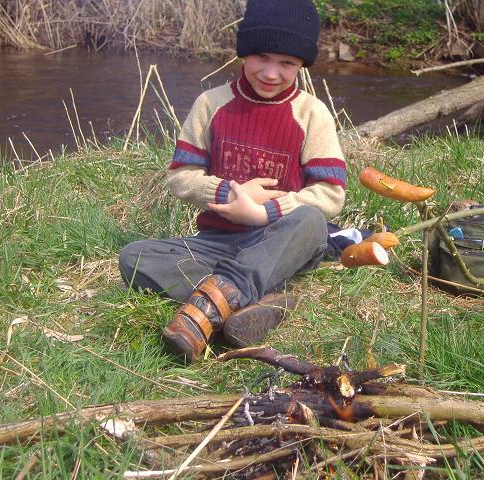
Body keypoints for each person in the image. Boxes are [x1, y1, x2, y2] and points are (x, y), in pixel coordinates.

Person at [119, 0, 346, 363]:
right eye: (261, 57)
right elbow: (179, 177)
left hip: (280, 240)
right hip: (218, 242)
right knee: (134, 257)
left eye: (286, 63)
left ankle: (213, 304)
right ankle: (256, 298)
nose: (271, 73)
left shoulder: (312, 114)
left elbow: (330, 194)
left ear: (302, 64)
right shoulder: (211, 104)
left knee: (311, 220)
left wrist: (263, 213)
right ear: (243, 51)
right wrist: (228, 193)